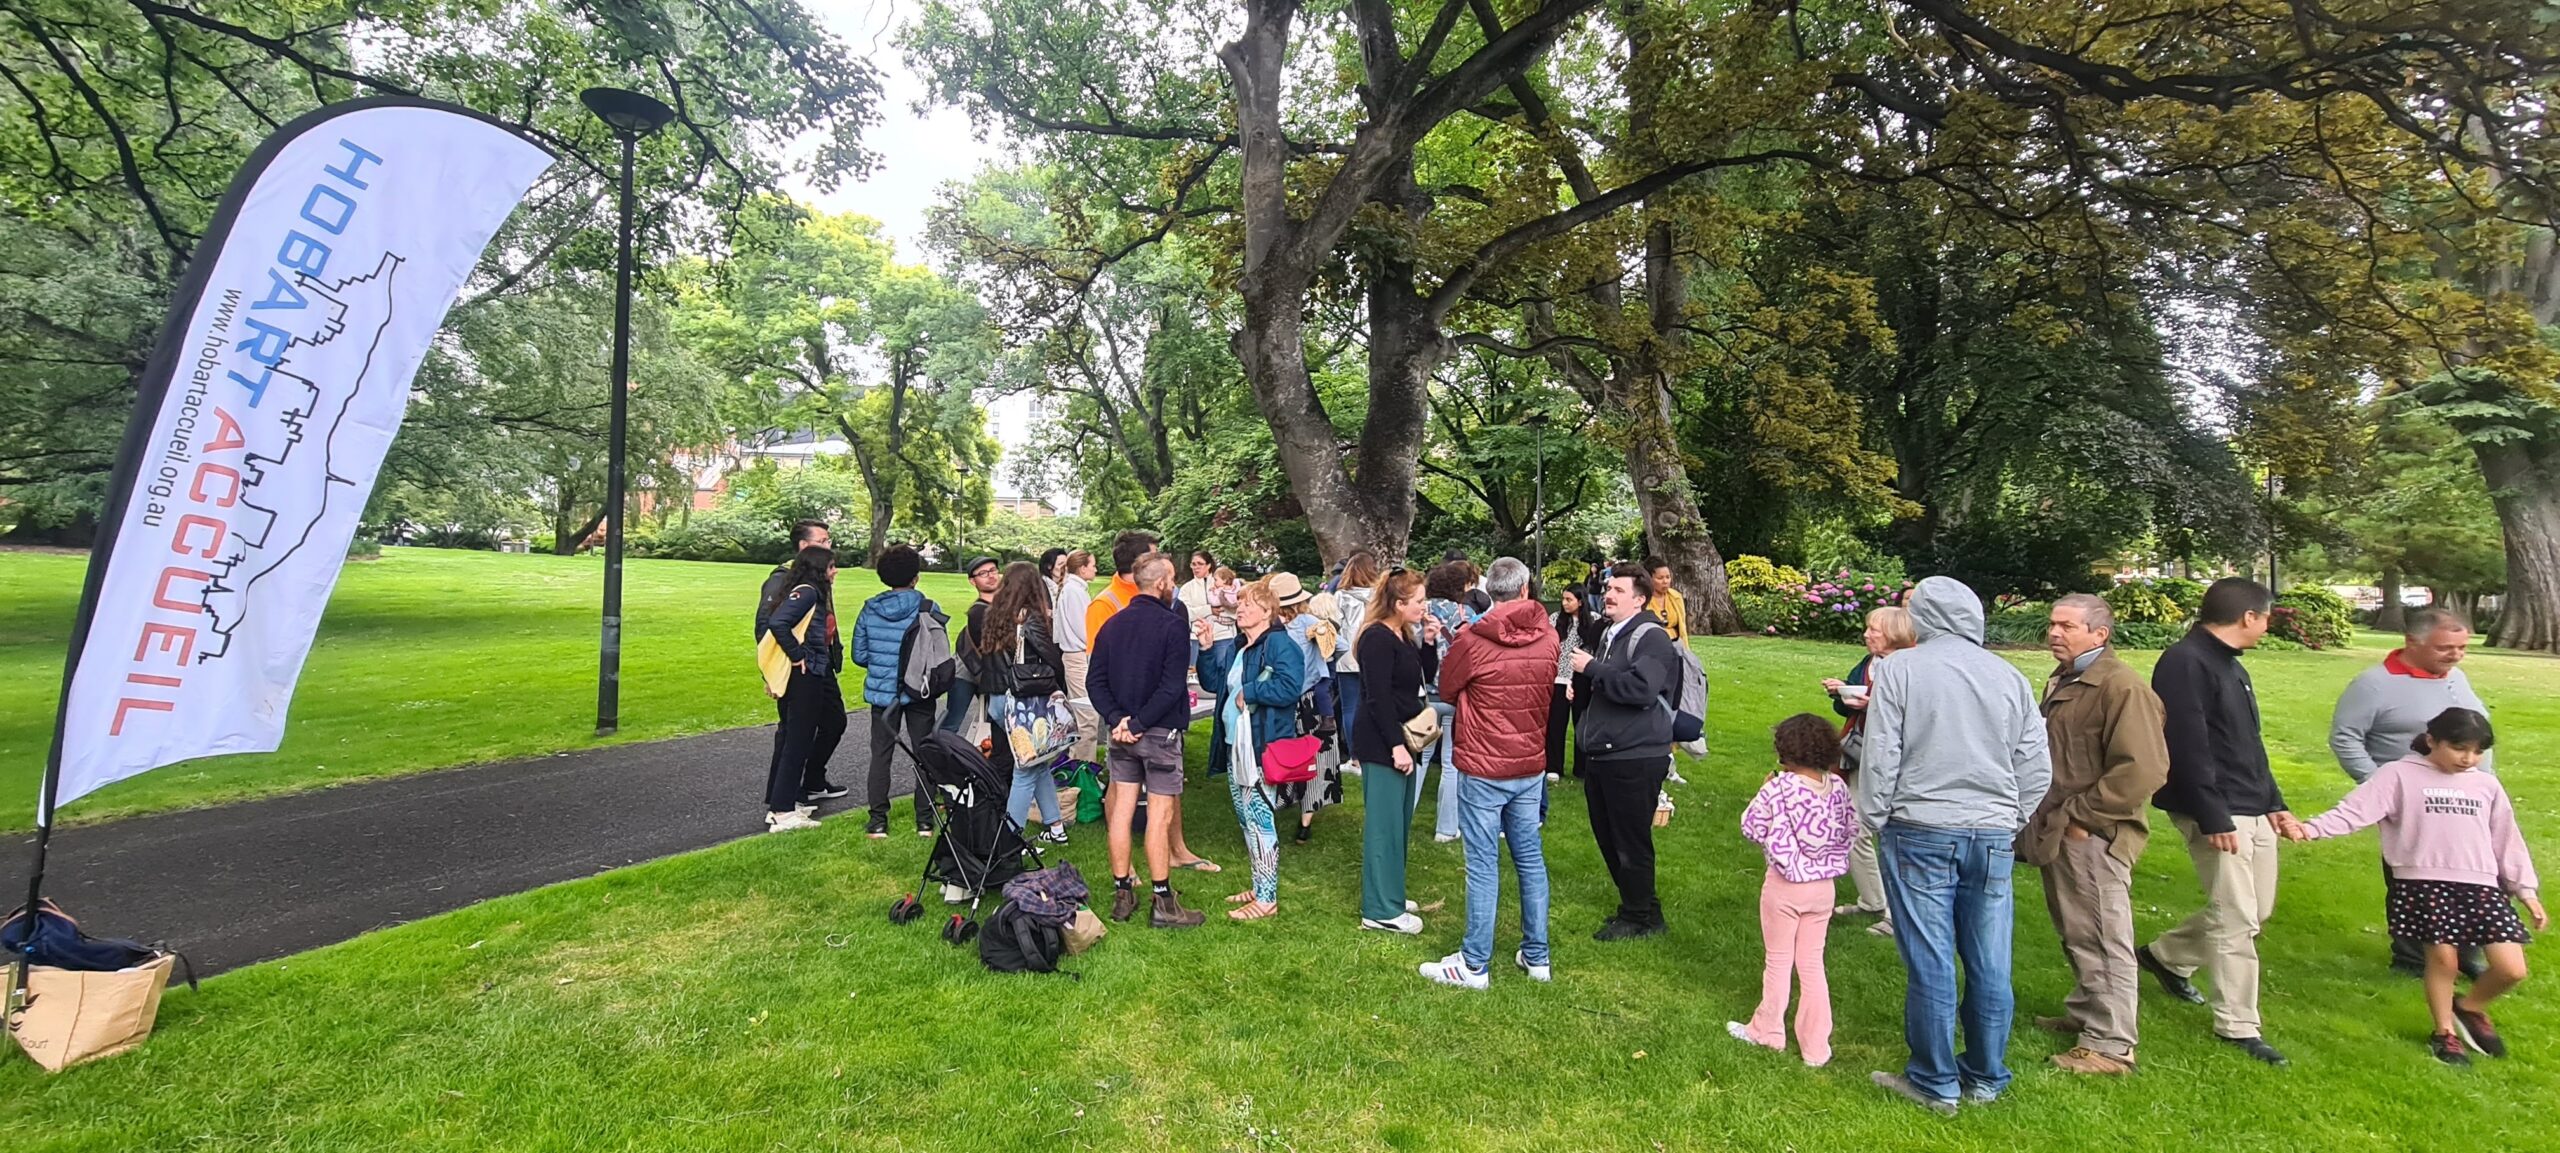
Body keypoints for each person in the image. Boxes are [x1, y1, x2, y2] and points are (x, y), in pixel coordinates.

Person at [1857, 575, 2050, 1116]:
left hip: (1919, 828)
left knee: (1931, 958)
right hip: (1991, 835)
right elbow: (2036, 765)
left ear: (1924, 617)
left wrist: (1874, 815)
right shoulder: (2010, 676)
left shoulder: (1899, 670)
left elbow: (1882, 752)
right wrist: (2009, 818)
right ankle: (1986, 1076)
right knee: (1990, 960)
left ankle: (1935, 1081)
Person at [2289, 708, 2544, 1066]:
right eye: (2459, 748)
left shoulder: (2486, 785)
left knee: (2511, 968)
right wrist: (2311, 828)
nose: (2468, 758)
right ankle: (2444, 1033)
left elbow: (2506, 840)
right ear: (2431, 740)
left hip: (2481, 886)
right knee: (2444, 960)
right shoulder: (2398, 774)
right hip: (2423, 884)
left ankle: (2469, 1007)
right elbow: (2355, 810)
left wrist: (2526, 891)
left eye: (2477, 751)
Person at [2139, 577, 2300, 1067]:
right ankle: (2238, 1025)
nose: (2266, 627)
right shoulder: (2184, 662)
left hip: (2252, 806)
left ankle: (2167, 957)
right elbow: (2187, 745)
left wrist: (2274, 802)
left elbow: (2248, 744)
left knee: (2257, 909)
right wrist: (2212, 814)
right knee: (2235, 917)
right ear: (2248, 617)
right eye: (2265, 618)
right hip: (2217, 810)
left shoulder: (2232, 665)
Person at [2020, 593, 2170, 1076]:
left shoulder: (2121, 687)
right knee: (2077, 927)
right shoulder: (2071, 677)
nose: (2054, 632)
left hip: (2095, 834)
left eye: (2067, 626)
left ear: (2099, 634)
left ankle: (2110, 1045)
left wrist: (2082, 818)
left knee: (2102, 935)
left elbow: (2143, 769)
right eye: (2052, 624)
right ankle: (2088, 1012)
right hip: (2063, 828)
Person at [2329, 606, 2497, 977]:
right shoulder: (2374, 684)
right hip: (2412, 805)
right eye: (2445, 648)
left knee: (2471, 871)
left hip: (2467, 800)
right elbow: (2345, 737)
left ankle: (2466, 954)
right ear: (2411, 642)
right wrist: (2380, 788)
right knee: (2413, 876)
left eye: (2462, 647)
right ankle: (2412, 958)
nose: (2455, 655)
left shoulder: (2456, 678)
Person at [1420, 558, 1558, 990]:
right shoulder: (1548, 635)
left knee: (1483, 864)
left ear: (1486, 589)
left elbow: (1447, 687)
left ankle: (1475, 964)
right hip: (1528, 762)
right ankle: (1537, 955)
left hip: (1485, 765)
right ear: (1525, 589)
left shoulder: (1471, 640)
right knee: (1529, 859)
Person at [1728, 715, 1858, 1066]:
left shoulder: (1779, 789)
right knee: (1812, 963)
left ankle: (1767, 1031)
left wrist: (1763, 792)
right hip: (1823, 888)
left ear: (1785, 750)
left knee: (1779, 960)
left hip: (1785, 886)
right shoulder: (1838, 787)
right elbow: (1852, 829)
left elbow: (1751, 827)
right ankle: (1816, 1047)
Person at [1086, 553, 1206, 928]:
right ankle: (1163, 900)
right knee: (1159, 814)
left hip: (1123, 731)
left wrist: (1117, 720)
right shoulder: (1172, 626)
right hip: (1157, 732)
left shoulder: (1112, 625)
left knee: (1121, 812)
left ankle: (1123, 891)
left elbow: (1095, 682)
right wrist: (1136, 723)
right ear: (1161, 583)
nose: (1174, 585)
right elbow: (1172, 687)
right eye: (1172, 578)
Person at [1570, 566, 1686, 941]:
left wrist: (1593, 669)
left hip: (1634, 755)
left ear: (1639, 599)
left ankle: (1638, 917)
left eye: (1619, 590)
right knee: (1609, 837)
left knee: (1629, 841)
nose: (1609, 594)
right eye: (1608, 588)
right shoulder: (1610, 633)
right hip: (1605, 751)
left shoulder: (1651, 637)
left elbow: (1642, 690)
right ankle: (1642, 909)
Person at [1212, 577, 1307, 921]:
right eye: (1239, 603)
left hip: (1259, 746)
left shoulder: (1281, 645)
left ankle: (1267, 899)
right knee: (1246, 819)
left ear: (1268, 611)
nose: (1240, 608)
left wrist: (1251, 692)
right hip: (1234, 744)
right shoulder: (1241, 646)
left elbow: (1290, 688)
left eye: (1248, 604)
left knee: (1260, 819)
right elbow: (1215, 684)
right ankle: (1259, 883)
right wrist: (1207, 650)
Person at [1354, 568, 1437, 934]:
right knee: (1384, 827)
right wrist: (1395, 746)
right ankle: (1379, 909)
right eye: (1418, 601)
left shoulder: (1403, 634)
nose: (1424, 606)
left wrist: (1429, 643)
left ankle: (1391, 893)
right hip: (1383, 741)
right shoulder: (1376, 638)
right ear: (1399, 603)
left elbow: (1419, 679)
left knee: (1398, 823)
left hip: (1403, 736)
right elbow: (1378, 698)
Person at [1827, 605, 1916, 937]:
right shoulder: (1868, 664)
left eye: (1874, 630)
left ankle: (1897, 915)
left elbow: (1917, 715)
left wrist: (1874, 704)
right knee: (1853, 826)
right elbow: (1845, 705)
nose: (1866, 635)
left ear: (1894, 633)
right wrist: (1840, 693)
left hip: (1899, 762)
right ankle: (1872, 901)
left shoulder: (1912, 667)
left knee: (1894, 834)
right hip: (1861, 754)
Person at [851, 545, 943, 839]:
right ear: (916, 577)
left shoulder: (870, 608)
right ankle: (925, 820)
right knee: (924, 753)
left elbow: (859, 654)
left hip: (883, 693)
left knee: (881, 755)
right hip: (919, 691)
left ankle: (877, 820)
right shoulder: (928, 608)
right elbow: (939, 653)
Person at [755, 521, 847, 806]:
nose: (828, 545)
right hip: (798, 665)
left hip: (819, 661)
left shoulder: (816, 578)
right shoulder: (786, 580)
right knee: (793, 732)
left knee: (833, 721)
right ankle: (783, 798)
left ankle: (811, 781)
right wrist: (774, 671)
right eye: (823, 540)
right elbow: (768, 625)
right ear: (804, 546)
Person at [986, 561, 1070, 845]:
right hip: (1025, 704)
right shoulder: (1030, 620)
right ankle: (1011, 840)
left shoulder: (994, 615)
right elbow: (1053, 660)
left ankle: (1055, 827)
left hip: (999, 700)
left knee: (1038, 762)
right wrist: (1061, 691)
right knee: (1025, 770)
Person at [1265, 573, 1345, 842]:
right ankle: (1305, 820)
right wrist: (1323, 656)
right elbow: (1341, 647)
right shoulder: (1310, 622)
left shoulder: (1271, 627)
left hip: (1282, 700)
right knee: (1315, 757)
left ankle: (1280, 801)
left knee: (1282, 751)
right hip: (1311, 700)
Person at [1421, 562, 1476, 843]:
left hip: (1424, 694)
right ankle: (1446, 828)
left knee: (1420, 758)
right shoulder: (1466, 614)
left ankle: (1403, 817)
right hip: (1455, 695)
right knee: (1451, 763)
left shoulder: (1418, 611)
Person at [1180, 550, 1240, 776]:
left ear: (1208, 565)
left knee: (1222, 677)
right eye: (1193, 564)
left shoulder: (1221, 582)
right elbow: (1185, 611)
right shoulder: (1188, 588)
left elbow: (1232, 606)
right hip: (1198, 635)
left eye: (1199, 563)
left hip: (1223, 634)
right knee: (1197, 673)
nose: (1195, 567)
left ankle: (1222, 710)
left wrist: (1220, 612)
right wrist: (1208, 610)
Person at [1546, 585, 1605, 782]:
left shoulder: (1595, 620)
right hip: (1558, 678)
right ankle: (1553, 766)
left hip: (1582, 678)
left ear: (1580, 601)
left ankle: (1582, 767)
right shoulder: (1555, 619)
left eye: (1569, 599)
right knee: (1556, 723)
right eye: (1563, 599)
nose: (1564, 603)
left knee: (1582, 722)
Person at [942, 556, 1004, 736]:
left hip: (989, 672)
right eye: (983, 573)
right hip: (967, 671)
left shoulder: (1004, 607)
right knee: (952, 723)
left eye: (993, 570)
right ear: (972, 581)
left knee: (995, 723)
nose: (990, 576)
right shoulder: (978, 611)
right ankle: (939, 753)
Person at [1330, 552, 1383, 757]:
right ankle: (1373, 750)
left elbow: (1335, 626)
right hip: (1374, 653)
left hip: (1346, 655)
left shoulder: (1341, 596)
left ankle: (1355, 756)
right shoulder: (1379, 596)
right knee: (1375, 704)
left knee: (1350, 707)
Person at [1055, 550, 1099, 772]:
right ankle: (1083, 772)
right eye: (1093, 565)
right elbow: (1083, 629)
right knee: (1087, 718)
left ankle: (1082, 767)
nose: (1096, 569)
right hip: (1077, 657)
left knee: (1087, 717)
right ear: (1082, 568)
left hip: (1079, 656)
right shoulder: (1073, 591)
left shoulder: (1075, 589)